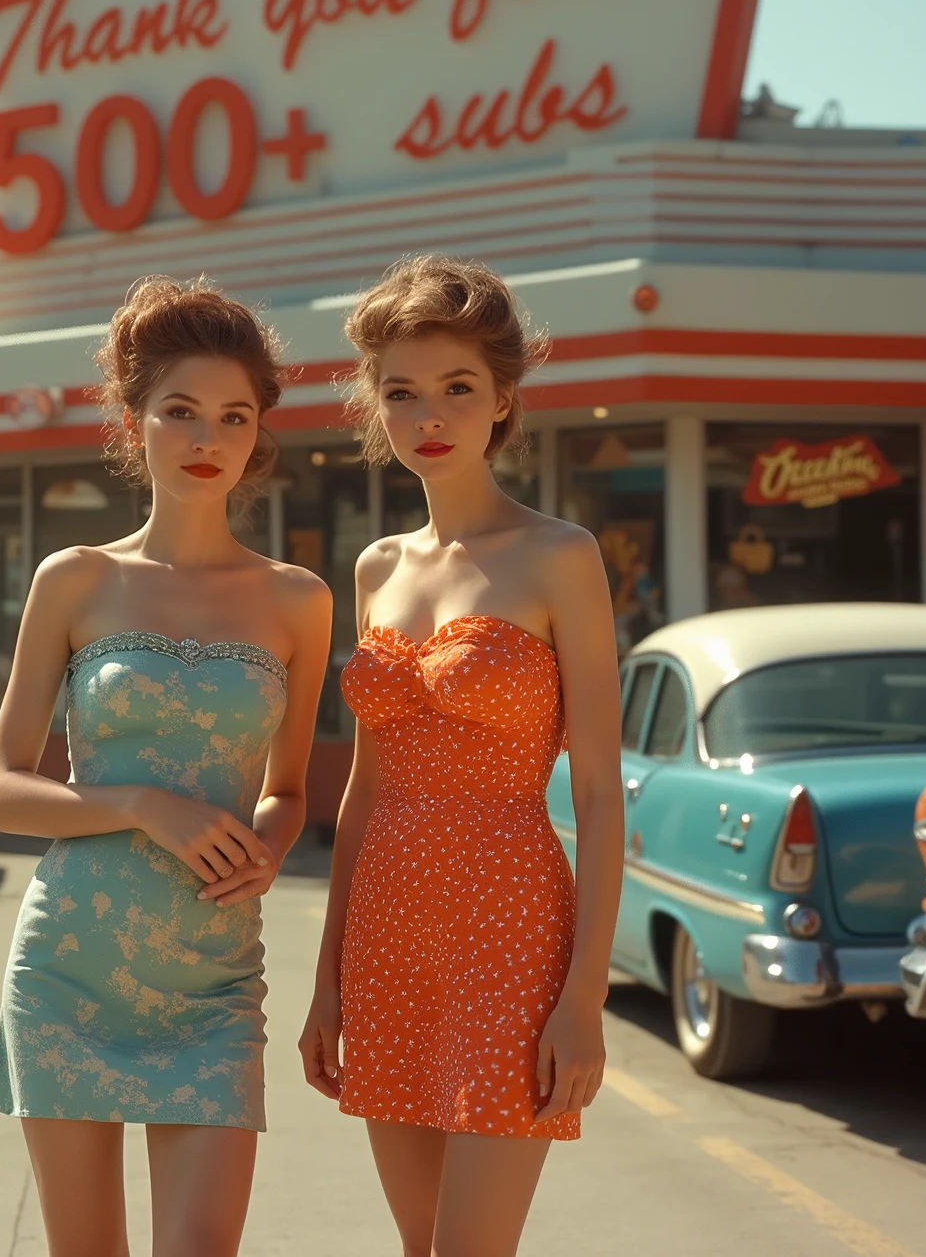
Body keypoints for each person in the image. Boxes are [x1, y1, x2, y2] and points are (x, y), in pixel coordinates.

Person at [0, 277, 332, 1257]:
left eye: (232, 414)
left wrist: (266, 842)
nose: (204, 435)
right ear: (135, 423)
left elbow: (290, 787)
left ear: (258, 433)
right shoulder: (75, 579)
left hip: (214, 973)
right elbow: (0, 790)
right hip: (67, 967)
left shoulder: (296, 600)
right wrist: (139, 803)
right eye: (178, 410)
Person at [299, 256, 625, 1256]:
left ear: (501, 402)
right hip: (388, 930)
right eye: (399, 391)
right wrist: (325, 979)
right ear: (372, 405)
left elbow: (604, 797)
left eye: (455, 388)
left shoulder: (557, 554)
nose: (426, 414)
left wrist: (584, 995)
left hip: (509, 930)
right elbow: (361, 789)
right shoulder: (374, 567)